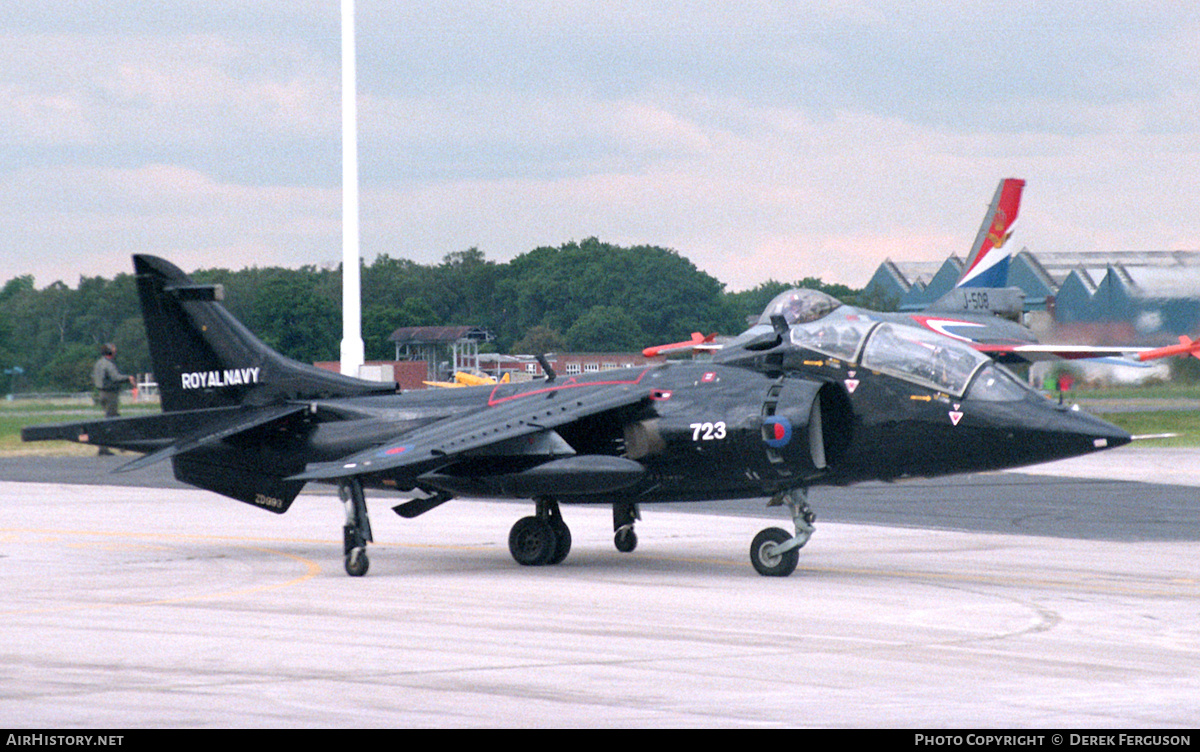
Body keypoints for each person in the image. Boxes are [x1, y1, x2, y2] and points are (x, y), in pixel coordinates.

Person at [92, 343, 134, 455]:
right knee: (111, 421)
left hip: (101, 393)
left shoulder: (99, 363)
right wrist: (128, 378)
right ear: (110, 352)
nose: (116, 352)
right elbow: (115, 377)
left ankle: (117, 446)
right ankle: (113, 446)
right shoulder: (109, 365)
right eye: (114, 350)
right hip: (110, 394)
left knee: (112, 418)